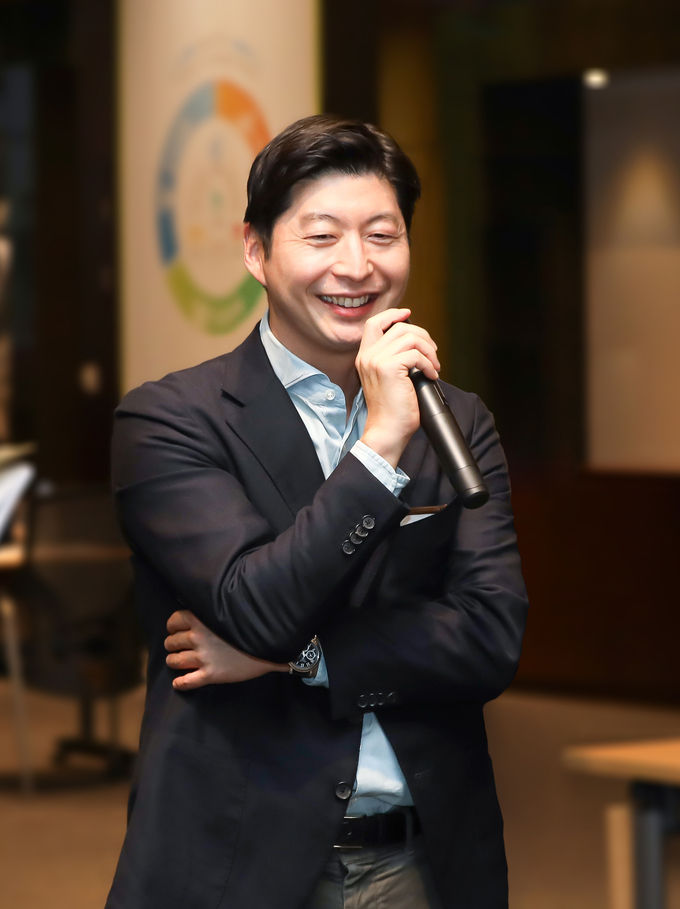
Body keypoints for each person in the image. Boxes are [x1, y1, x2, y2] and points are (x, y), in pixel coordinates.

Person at [106, 115, 528, 909]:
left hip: (422, 861)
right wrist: (380, 442)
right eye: (323, 235)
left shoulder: (458, 420)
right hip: (235, 866)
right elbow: (255, 608)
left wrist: (298, 658)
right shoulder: (172, 419)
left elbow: (490, 638)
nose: (357, 266)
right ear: (256, 250)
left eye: (382, 234)